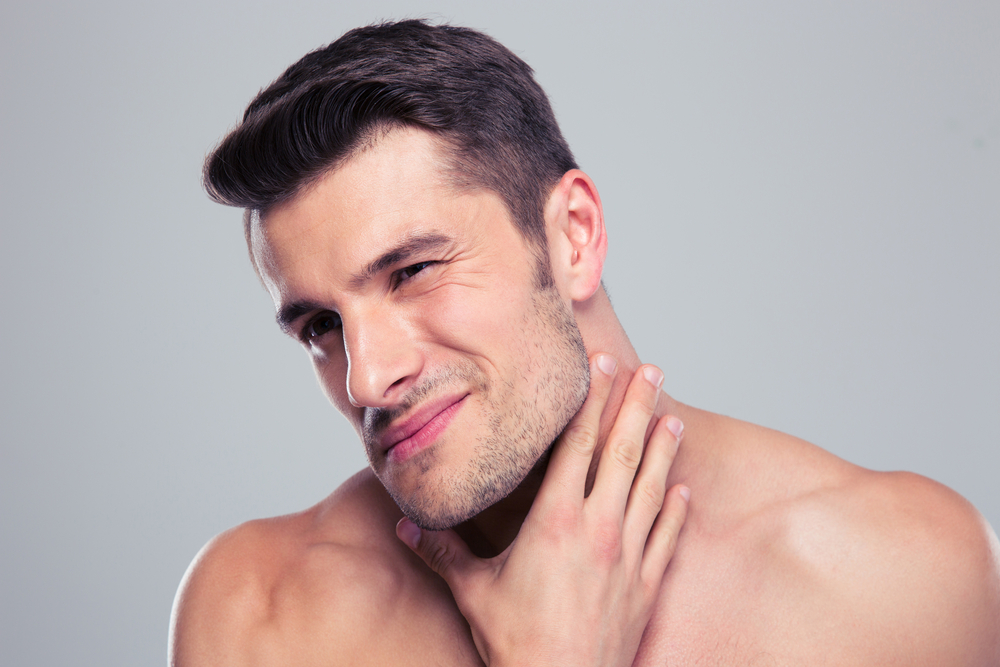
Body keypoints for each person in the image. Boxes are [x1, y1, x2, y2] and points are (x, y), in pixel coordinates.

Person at [170, 20, 1000, 666]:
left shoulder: (905, 576)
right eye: (321, 326)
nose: (368, 377)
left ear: (573, 236)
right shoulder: (258, 610)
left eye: (414, 270)